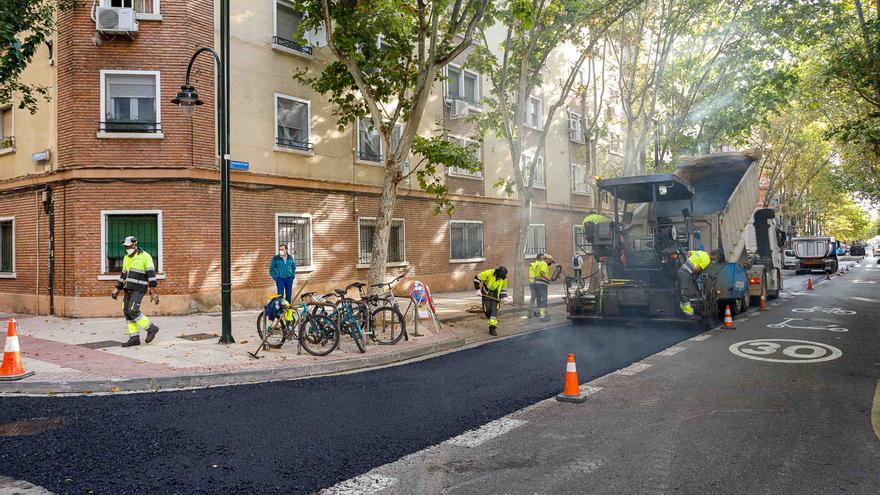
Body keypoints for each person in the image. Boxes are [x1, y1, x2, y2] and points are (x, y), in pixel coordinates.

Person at [111, 236, 160, 347]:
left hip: (139, 289)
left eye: (129, 246)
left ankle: (152, 329)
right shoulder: (126, 257)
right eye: (126, 246)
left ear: (134, 245)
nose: (127, 248)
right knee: (127, 311)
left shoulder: (145, 256)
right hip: (128, 289)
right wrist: (117, 289)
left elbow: (151, 274)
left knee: (133, 310)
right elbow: (124, 274)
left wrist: (153, 291)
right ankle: (134, 338)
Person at [676, 249, 720, 316]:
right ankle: (689, 313)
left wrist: (690, 262)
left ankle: (682, 308)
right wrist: (693, 274)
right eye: (717, 257)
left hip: (681, 271)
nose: (716, 259)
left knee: (684, 290)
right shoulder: (707, 260)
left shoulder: (701, 252)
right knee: (687, 292)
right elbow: (696, 269)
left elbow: (688, 253)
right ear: (715, 256)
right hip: (686, 273)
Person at [473, 266, 508, 336]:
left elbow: (503, 289)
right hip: (487, 294)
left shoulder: (504, 278)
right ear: (497, 273)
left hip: (496, 295)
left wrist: (504, 298)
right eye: (499, 277)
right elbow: (476, 279)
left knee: (494, 311)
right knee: (487, 310)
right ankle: (490, 320)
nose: (500, 278)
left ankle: (492, 328)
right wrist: (478, 290)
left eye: (501, 277)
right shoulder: (489, 273)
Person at [534, 254, 553, 319]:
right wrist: (549, 279)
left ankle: (540, 313)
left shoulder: (539, 264)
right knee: (544, 299)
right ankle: (542, 315)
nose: (551, 263)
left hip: (536, 284)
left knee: (539, 299)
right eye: (551, 261)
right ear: (548, 259)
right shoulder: (544, 264)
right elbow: (542, 273)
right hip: (541, 284)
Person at [527, 253, 545, 318]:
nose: (544, 260)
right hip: (538, 284)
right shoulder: (540, 264)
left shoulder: (533, 264)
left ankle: (529, 312)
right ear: (539, 258)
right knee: (539, 298)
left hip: (532, 283)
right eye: (543, 258)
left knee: (533, 298)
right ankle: (539, 312)